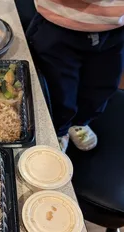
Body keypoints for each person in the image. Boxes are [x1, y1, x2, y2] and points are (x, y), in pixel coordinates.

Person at [27, 0, 124, 152]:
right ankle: (59, 129)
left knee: (102, 85)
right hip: (58, 23)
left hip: (114, 28)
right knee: (57, 89)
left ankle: (81, 121)